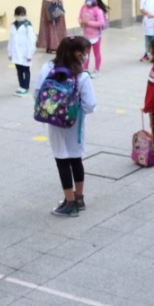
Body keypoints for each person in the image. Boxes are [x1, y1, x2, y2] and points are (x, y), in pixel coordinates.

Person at [40, 36, 97, 217]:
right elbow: (90, 105)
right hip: (75, 125)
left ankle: (68, 201)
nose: (87, 57)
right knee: (76, 159)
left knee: (62, 161)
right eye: (86, 53)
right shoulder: (82, 76)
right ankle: (78, 199)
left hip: (55, 124)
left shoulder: (48, 68)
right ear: (78, 54)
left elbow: (37, 93)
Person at [8, 6, 37, 97]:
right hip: (16, 52)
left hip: (25, 52)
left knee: (26, 70)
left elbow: (32, 40)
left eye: (22, 15)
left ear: (25, 15)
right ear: (15, 15)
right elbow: (11, 40)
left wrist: (30, 54)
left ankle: (26, 87)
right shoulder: (13, 25)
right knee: (19, 70)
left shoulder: (27, 25)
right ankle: (21, 86)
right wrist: (10, 52)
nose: (20, 16)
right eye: (18, 15)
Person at [78, 0, 108, 77]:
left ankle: (97, 70)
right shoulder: (83, 8)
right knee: (85, 54)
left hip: (96, 36)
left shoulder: (97, 11)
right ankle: (85, 69)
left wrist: (88, 23)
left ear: (97, 1)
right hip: (86, 36)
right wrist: (81, 22)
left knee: (96, 53)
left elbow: (101, 23)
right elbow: (80, 17)